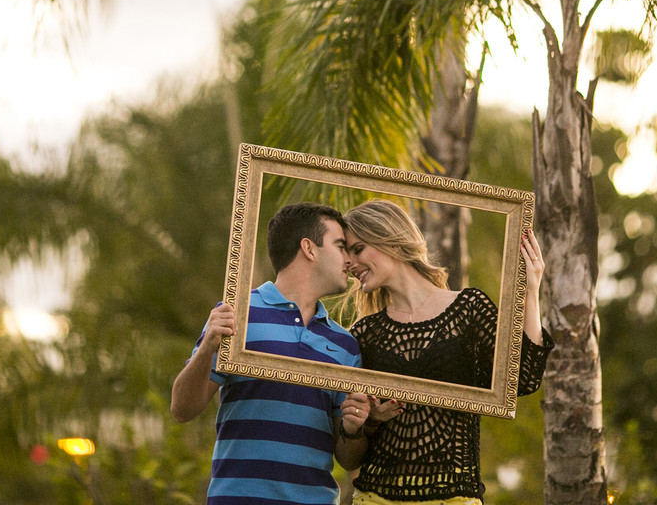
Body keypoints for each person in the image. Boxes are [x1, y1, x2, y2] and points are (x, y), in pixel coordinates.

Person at [342, 199, 554, 504]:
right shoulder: (364, 334)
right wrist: (371, 420)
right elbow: (351, 449)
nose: (349, 264)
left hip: (454, 496)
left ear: (389, 239)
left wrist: (530, 290)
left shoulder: (468, 309)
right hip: (376, 497)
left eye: (357, 249)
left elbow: (523, 378)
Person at [170, 202, 373, 505]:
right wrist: (208, 346)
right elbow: (181, 409)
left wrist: (353, 428)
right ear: (309, 248)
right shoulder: (237, 313)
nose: (348, 260)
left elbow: (347, 459)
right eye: (340, 246)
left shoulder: (345, 345)